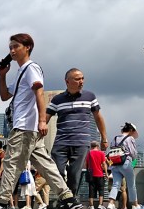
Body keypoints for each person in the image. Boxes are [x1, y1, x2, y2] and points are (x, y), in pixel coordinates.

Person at [0, 33, 82, 209]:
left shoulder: (31, 68)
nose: (12, 50)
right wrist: (2, 75)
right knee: (45, 165)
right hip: (29, 128)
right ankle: (68, 199)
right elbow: (5, 96)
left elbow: (39, 92)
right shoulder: (21, 71)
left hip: (24, 126)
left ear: (27, 47)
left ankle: (2, 202)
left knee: (11, 163)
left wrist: (43, 120)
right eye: (10, 47)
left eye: (15, 46)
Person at [46, 68, 108, 197]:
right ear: (67, 81)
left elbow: (98, 117)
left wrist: (104, 138)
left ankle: (70, 199)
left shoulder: (90, 97)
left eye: (82, 78)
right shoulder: (57, 99)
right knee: (55, 172)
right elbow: (45, 119)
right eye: (77, 79)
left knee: (75, 174)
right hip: (61, 142)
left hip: (81, 142)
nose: (81, 81)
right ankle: (64, 197)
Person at [104, 123, 140, 209]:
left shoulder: (115, 138)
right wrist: (134, 158)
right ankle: (135, 205)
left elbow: (111, 150)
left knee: (116, 184)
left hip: (114, 164)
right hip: (125, 163)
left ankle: (111, 203)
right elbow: (133, 153)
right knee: (131, 184)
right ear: (131, 130)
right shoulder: (130, 138)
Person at [84, 141, 108, 209]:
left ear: (91, 146)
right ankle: (100, 205)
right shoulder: (101, 153)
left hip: (91, 174)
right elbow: (104, 164)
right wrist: (106, 173)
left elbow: (86, 164)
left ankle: (91, 206)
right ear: (97, 146)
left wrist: (87, 170)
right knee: (101, 189)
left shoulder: (89, 153)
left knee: (91, 189)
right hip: (100, 174)